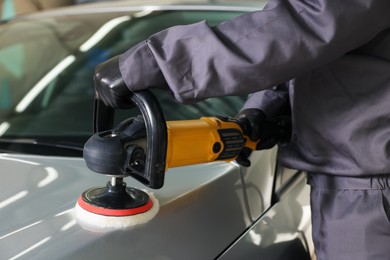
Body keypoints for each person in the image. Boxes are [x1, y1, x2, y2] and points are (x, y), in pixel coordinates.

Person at [93, 0, 390, 259]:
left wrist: (154, 62)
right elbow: (309, 53)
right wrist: (262, 108)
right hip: (355, 177)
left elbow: (305, 23)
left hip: (373, 188)